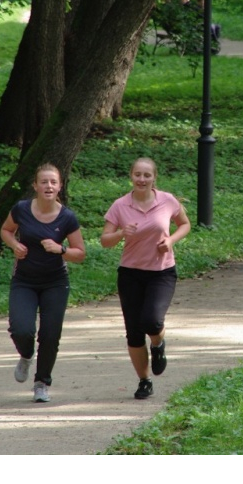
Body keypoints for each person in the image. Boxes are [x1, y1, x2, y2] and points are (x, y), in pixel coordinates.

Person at [101, 158, 192, 400]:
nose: (142, 179)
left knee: (151, 321)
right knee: (133, 332)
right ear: (131, 176)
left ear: (154, 178)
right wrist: (121, 233)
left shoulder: (167, 200)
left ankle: (158, 344)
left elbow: (184, 224)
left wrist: (171, 241)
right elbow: (105, 241)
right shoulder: (120, 206)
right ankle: (144, 381)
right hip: (130, 273)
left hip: (161, 272)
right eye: (137, 175)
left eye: (147, 175)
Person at [0, 163, 86, 403]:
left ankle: (42, 383)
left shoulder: (67, 217)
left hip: (55, 282)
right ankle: (26, 355)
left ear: (59, 186)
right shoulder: (21, 209)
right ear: (35, 186)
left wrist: (61, 249)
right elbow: (6, 230)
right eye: (44, 182)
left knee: (50, 334)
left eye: (53, 182)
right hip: (24, 281)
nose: (49, 186)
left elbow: (80, 253)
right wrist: (14, 245)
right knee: (21, 329)